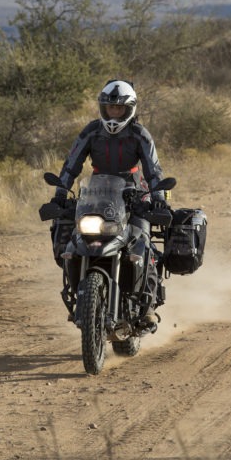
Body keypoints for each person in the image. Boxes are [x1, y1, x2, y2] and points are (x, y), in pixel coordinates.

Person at [50, 79, 167, 326]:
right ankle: (81, 297)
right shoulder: (91, 131)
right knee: (75, 240)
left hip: (135, 192)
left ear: (129, 109)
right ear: (103, 108)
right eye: (109, 107)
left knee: (143, 243)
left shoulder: (140, 134)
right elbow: (72, 164)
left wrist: (157, 198)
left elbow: (153, 170)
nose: (114, 112)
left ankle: (148, 305)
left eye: (119, 108)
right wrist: (61, 191)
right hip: (98, 192)